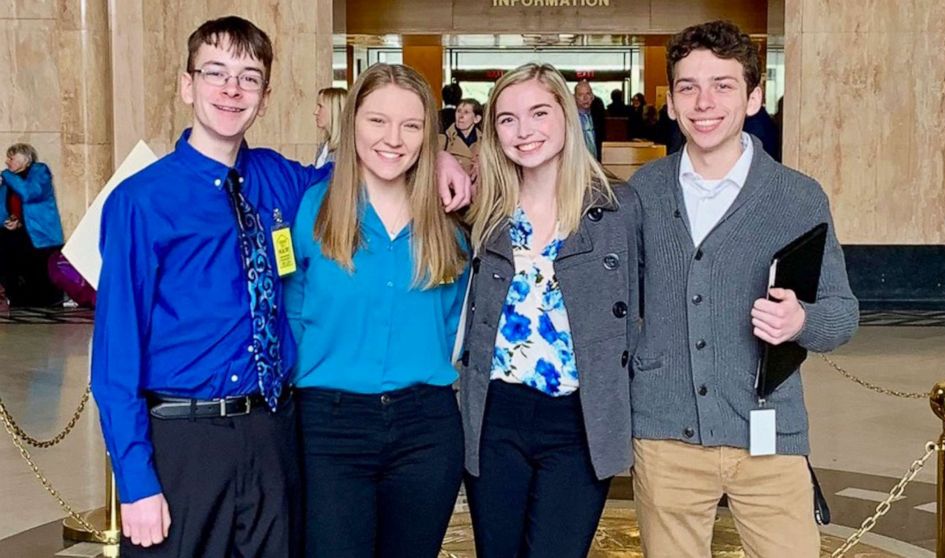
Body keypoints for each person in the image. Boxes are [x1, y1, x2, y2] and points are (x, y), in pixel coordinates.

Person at [90, 16, 472, 558]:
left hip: (272, 432)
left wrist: (435, 157)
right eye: (215, 72)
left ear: (265, 97)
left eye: (248, 77)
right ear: (186, 84)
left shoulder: (280, 180)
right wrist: (135, 481)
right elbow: (114, 358)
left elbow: (367, 168)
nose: (231, 89)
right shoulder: (140, 201)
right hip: (185, 435)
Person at [627, 20, 859, 558]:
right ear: (670, 102)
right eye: (688, 87)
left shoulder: (796, 197)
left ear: (754, 96)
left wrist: (802, 321)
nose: (704, 102)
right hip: (666, 437)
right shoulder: (643, 192)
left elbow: (842, 312)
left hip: (769, 436)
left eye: (723, 85)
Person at [286, 62, 469, 558]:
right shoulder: (311, 210)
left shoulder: (450, 224)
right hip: (328, 423)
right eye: (377, 121)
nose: (394, 138)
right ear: (352, 124)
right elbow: (292, 310)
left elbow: (452, 322)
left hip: (426, 428)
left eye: (411, 125)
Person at [460, 63, 642, 558]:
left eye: (539, 113)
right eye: (507, 119)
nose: (524, 131)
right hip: (496, 415)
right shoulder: (481, 208)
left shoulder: (617, 208)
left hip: (579, 420)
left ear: (566, 114)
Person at [0, 143, 64, 307]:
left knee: (41, 277)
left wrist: (7, 175)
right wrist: (7, 220)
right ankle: (17, 300)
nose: (7, 162)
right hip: (16, 234)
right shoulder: (9, 181)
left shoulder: (39, 171)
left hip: (40, 235)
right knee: (10, 268)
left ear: (23, 159)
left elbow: (29, 193)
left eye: (11, 158)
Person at [440, 97, 483, 182]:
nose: (460, 116)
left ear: (476, 119)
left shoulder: (485, 143)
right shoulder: (443, 140)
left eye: (466, 112)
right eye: (458, 111)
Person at [314, 86, 347, 167]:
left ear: (333, 110)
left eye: (320, 106)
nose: (315, 112)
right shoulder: (323, 147)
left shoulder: (346, 151)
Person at [574, 80, 605, 160]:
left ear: (592, 96)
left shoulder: (598, 117)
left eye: (588, 94)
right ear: (575, 98)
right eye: (581, 94)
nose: (585, 98)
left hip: (597, 164)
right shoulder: (570, 118)